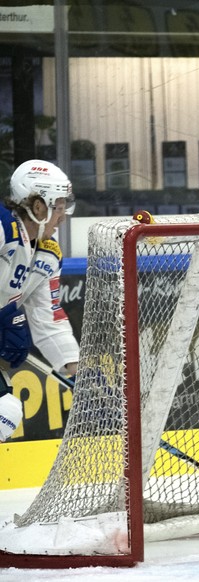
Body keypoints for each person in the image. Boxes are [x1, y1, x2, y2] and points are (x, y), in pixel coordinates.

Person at [0, 160, 79, 443]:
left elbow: (49, 317)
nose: (63, 216)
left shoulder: (47, 255)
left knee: (5, 414)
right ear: (38, 206)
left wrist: (76, 369)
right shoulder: (1, 226)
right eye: (58, 206)